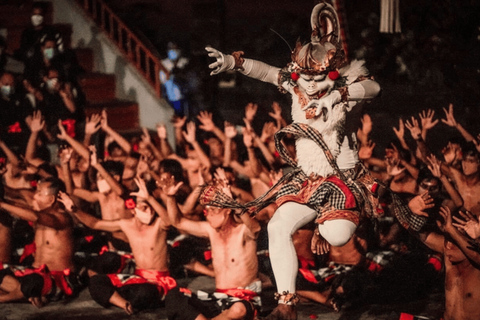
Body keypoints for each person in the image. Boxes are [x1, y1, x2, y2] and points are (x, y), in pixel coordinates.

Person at [203, 3, 410, 318]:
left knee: (335, 235)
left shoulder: (345, 88)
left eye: (318, 79)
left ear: (332, 73)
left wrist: (338, 96)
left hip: (341, 178)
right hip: (308, 178)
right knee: (276, 226)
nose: (311, 86)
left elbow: (375, 87)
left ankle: (328, 224)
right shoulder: (297, 85)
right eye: (305, 78)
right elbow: (268, 72)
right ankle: (287, 304)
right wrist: (233, 62)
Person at [60, 177, 176, 314]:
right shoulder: (127, 224)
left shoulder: (159, 225)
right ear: (133, 210)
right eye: (143, 206)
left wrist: (149, 198)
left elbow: (169, 221)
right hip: (137, 278)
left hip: (157, 281)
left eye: (150, 207)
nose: (148, 210)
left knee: (145, 292)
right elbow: (95, 224)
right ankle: (125, 304)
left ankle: (131, 299)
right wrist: (74, 210)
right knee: (97, 281)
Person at [164, 168, 262, 320]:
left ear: (227, 211)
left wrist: (233, 203)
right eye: (206, 211)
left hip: (243, 299)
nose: (209, 215)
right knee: (174, 295)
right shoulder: (210, 230)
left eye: (214, 210)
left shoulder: (243, 231)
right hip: (218, 299)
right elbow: (178, 222)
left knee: (238, 310)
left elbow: (255, 228)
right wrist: (170, 197)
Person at [0, 177, 78, 307]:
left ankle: (8, 297)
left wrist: (2, 205)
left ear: (51, 199)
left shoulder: (62, 217)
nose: (35, 196)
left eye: (40, 193)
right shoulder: (43, 213)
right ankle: (29, 295)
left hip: (57, 278)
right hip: (34, 273)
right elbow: (23, 208)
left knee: (33, 282)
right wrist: (5, 202)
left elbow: (34, 216)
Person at [414, 204, 480, 320]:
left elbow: (476, 255)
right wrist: (414, 213)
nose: (448, 247)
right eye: (447, 241)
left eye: (454, 241)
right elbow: (422, 235)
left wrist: (451, 230)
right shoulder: (449, 254)